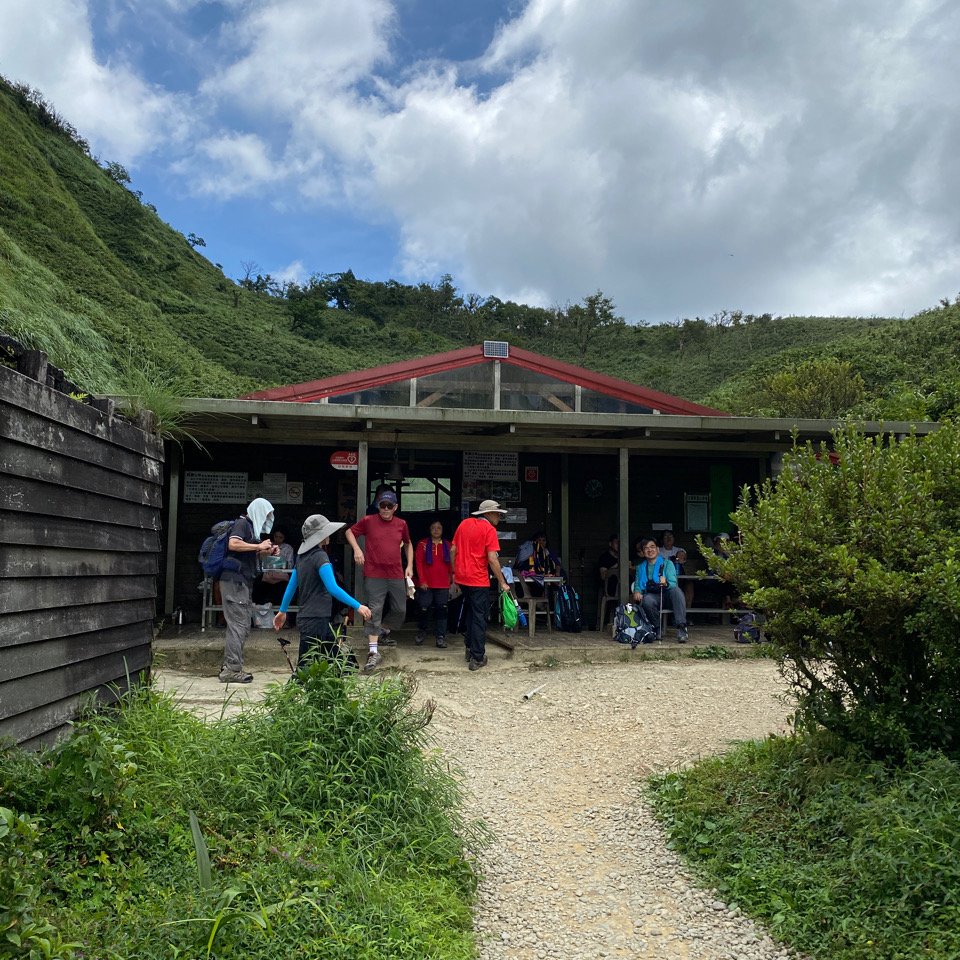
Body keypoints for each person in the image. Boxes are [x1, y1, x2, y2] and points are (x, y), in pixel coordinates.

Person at [273, 514, 372, 671]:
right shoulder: (320, 556)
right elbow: (332, 588)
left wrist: (282, 611)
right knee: (305, 667)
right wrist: (358, 606)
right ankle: (293, 693)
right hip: (317, 620)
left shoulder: (301, 557)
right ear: (319, 535)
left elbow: (292, 586)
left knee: (334, 661)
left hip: (309, 618)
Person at [345, 489, 414, 672]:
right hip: (374, 572)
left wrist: (410, 566)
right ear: (378, 505)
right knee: (374, 609)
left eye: (389, 506)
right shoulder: (369, 521)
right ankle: (373, 652)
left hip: (395, 572)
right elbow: (349, 532)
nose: (385, 509)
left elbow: (408, 543)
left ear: (395, 507)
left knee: (400, 609)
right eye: (382, 505)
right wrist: (357, 550)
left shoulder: (401, 524)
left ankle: (382, 629)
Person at [218, 497, 280, 683]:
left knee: (242, 625)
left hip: (240, 583)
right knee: (238, 625)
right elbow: (233, 544)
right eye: (267, 514)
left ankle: (229, 665)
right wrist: (258, 546)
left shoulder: (250, 528)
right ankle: (231, 670)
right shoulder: (242, 524)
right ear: (259, 511)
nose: (268, 518)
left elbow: (247, 551)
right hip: (234, 583)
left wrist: (266, 551)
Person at [451, 499, 511, 671]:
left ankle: (469, 648)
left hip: (462, 578)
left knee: (471, 612)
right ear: (489, 514)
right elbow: (492, 558)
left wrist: (455, 572)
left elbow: (453, 550)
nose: (499, 517)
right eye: (497, 513)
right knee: (479, 616)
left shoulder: (464, 524)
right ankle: (477, 657)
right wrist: (502, 582)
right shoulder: (489, 530)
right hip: (478, 579)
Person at [632, 537, 688, 643]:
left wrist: (665, 583)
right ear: (643, 552)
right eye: (646, 548)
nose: (650, 550)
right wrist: (637, 591)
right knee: (647, 599)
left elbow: (673, 583)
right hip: (653, 597)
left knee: (677, 591)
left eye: (652, 547)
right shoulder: (640, 567)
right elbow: (638, 584)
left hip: (667, 595)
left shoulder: (667, 564)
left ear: (658, 550)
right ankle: (657, 628)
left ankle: (682, 628)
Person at [415, 519, 453, 648]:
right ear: (430, 530)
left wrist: (453, 579)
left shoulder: (448, 545)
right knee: (423, 607)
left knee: (442, 610)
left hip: (443, 583)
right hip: (427, 583)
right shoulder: (423, 544)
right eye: (433, 528)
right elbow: (419, 563)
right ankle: (422, 630)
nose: (436, 530)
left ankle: (440, 636)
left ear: (442, 530)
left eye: (439, 528)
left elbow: (452, 564)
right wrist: (422, 580)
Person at [254, 528, 296, 606]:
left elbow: (290, 565)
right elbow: (260, 563)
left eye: (281, 537)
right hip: (267, 577)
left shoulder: (288, 548)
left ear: (284, 538)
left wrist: (274, 561)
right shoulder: (267, 546)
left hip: (282, 578)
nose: (278, 539)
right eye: (276, 536)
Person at [515, 530, 561, 596]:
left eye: (543, 540)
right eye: (539, 540)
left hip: (546, 578)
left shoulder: (548, 552)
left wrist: (557, 572)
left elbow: (557, 564)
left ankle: (540, 604)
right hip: (531, 578)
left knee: (547, 587)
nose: (541, 542)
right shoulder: (530, 551)